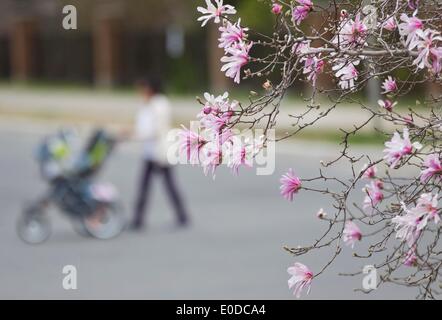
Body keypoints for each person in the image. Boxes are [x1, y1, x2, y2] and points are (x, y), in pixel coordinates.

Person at [126, 77, 189, 230]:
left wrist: (134, 135)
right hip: (149, 152)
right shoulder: (146, 104)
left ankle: (180, 216)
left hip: (160, 153)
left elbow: (156, 129)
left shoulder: (160, 104)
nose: (141, 92)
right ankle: (139, 219)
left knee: (164, 185)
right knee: (149, 185)